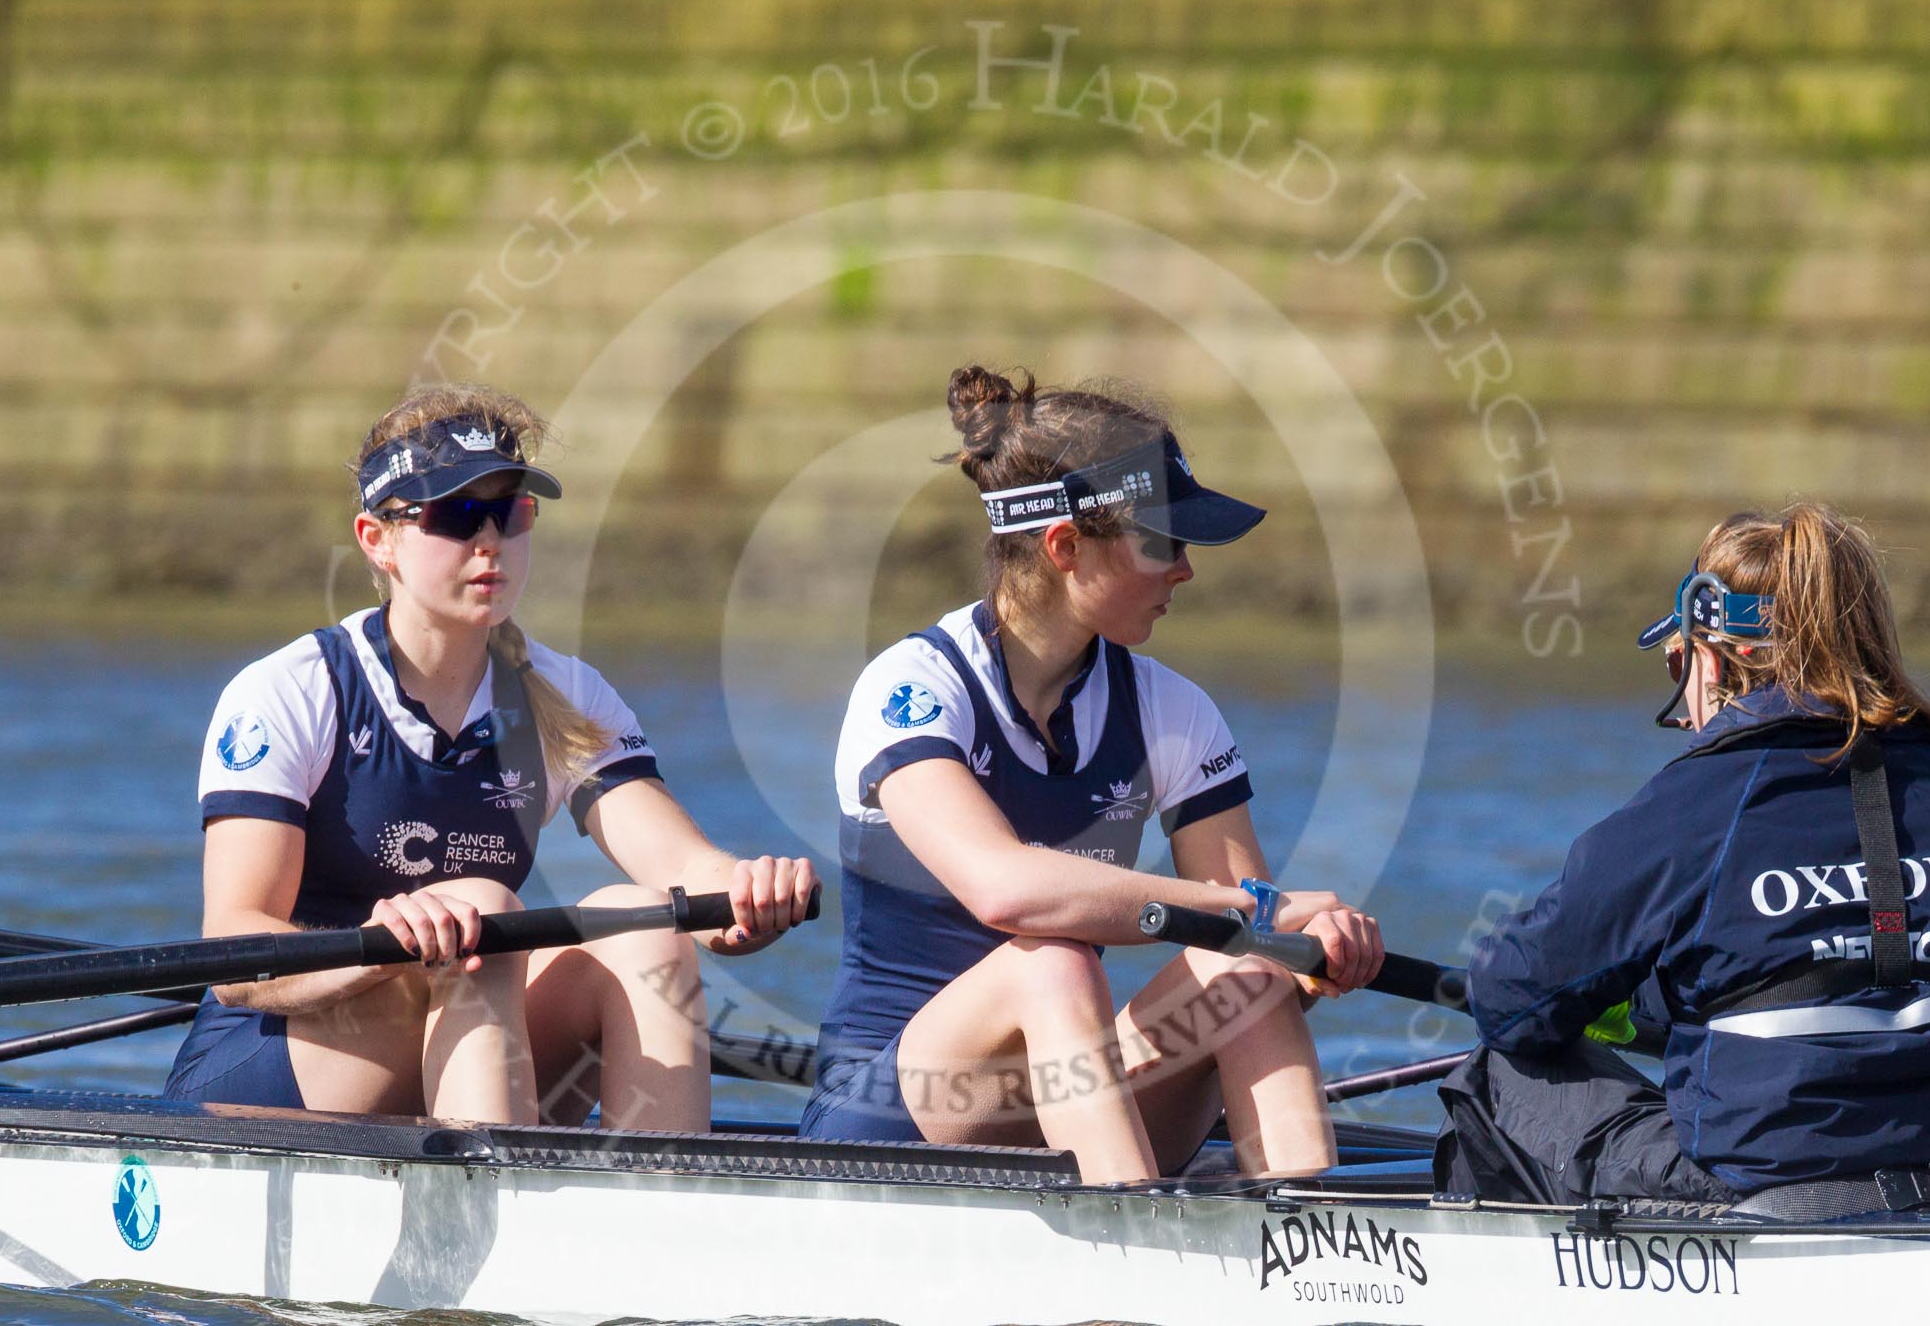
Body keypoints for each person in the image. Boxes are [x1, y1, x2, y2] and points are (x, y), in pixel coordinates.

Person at [164, 384, 817, 1128]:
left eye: (510, 512)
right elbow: (234, 957)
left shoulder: (564, 696)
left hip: (471, 1024)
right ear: (378, 541)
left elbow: (684, 871)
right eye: (455, 515)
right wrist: (383, 950)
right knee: (484, 915)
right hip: (272, 1071)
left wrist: (746, 893)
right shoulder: (294, 692)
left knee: (643, 927)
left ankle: (660, 1207)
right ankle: (490, 1205)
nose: (489, 542)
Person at [797, 366, 1384, 1183]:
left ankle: (1312, 1246)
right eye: (1163, 541)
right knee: (1052, 961)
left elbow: (1256, 936)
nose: (1186, 568)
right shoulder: (912, 690)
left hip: (1072, 1095)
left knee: (1247, 964)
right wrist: (1256, 909)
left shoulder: (1172, 711)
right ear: (1065, 546)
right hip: (893, 1118)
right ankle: (1126, 1283)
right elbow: (1006, 892)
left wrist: (1309, 956)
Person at [1440, 501, 1930, 1203]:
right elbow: (1845, 961)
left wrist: (1618, 1005)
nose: (1686, 709)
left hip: (1765, 1187)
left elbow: (1513, 999)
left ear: (1718, 655)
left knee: (1496, 1070)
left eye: (1676, 665)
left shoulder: (1696, 801)